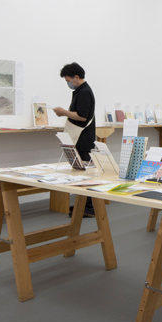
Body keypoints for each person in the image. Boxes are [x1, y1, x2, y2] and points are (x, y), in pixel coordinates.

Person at [53, 62, 96, 215]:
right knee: (80, 172)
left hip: (83, 139)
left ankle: (88, 207)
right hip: (81, 138)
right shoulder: (81, 90)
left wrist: (64, 112)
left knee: (84, 173)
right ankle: (82, 205)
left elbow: (82, 117)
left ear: (76, 77)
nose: (68, 84)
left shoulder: (84, 92)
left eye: (68, 80)